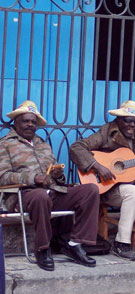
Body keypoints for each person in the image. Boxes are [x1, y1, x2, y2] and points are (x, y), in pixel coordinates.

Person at [69, 100, 135, 262]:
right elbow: (76, 147)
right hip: (108, 188)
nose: (132, 124)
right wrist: (97, 166)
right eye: (127, 120)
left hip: (132, 185)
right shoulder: (106, 132)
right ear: (119, 120)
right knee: (132, 192)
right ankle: (122, 243)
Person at [0, 100, 100, 271]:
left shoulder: (43, 145)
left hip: (51, 192)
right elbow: (3, 177)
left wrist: (57, 176)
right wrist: (34, 178)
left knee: (91, 189)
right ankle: (42, 248)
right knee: (40, 196)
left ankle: (74, 244)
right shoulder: (5, 144)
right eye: (26, 120)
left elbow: (54, 175)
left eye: (33, 122)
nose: (30, 124)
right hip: (22, 196)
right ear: (16, 122)